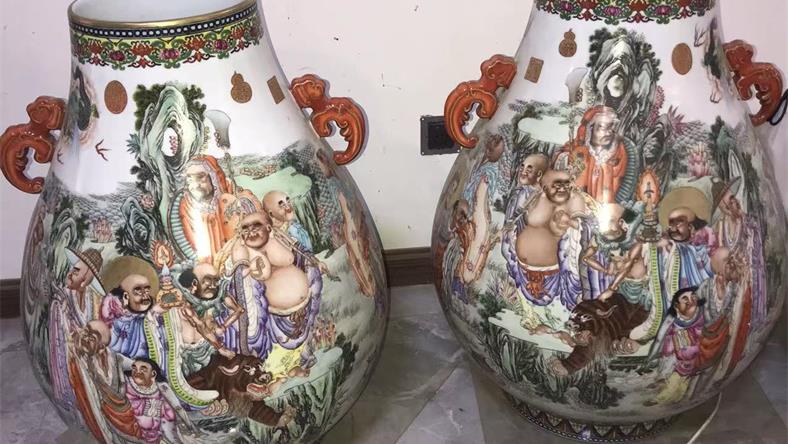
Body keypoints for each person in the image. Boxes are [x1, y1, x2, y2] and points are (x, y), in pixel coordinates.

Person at [502, 168, 591, 311]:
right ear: (545, 187)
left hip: (551, 272)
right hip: (523, 268)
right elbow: (518, 219)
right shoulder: (536, 197)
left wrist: (569, 222)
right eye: (557, 184)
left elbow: (585, 228)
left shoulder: (574, 200)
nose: (563, 188)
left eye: (566, 184)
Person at [645, 287, 706, 406]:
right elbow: (667, 344)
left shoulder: (701, 320)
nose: (690, 301)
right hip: (679, 359)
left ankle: (660, 400)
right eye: (685, 299)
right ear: (676, 306)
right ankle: (670, 396)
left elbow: (701, 341)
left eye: (693, 297)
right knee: (676, 380)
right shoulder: (674, 323)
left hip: (692, 360)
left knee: (678, 381)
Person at [171, 155, 235, 263]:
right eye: (190, 180)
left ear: (213, 177)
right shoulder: (186, 207)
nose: (195, 185)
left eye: (200, 177)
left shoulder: (231, 197)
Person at [564, 106, 627, 203]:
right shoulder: (580, 153)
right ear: (590, 129)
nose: (609, 133)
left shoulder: (619, 153)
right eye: (603, 127)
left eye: (611, 128)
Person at [125, 358, 196, 444]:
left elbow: (177, 407)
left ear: (153, 374)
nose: (137, 372)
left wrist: (189, 425)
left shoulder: (161, 387)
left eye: (143, 370)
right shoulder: (126, 384)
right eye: (134, 369)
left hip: (161, 430)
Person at [100, 257, 159, 359]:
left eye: (147, 290)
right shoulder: (116, 321)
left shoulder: (150, 320)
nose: (145, 296)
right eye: (138, 291)